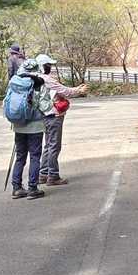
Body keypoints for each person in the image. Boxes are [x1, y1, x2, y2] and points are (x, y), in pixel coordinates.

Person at [35, 54, 88, 186]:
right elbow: (65, 91)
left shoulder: (35, 78)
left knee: (48, 145)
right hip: (54, 115)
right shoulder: (46, 79)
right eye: (48, 65)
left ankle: (43, 173)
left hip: (43, 115)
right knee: (54, 146)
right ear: (43, 66)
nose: (50, 67)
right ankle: (53, 175)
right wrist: (79, 90)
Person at [4, 57, 46, 199]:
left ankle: (16, 188)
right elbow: (45, 105)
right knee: (35, 156)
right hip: (35, 126)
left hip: (18, 125)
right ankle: (33, 188)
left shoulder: (14, 82)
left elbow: (6, 101)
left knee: (20, 156)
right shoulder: (38, 83)